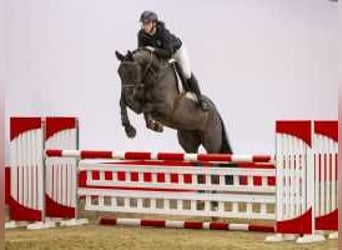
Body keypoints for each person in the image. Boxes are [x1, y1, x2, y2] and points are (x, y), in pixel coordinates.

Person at [137, 10, 210, 111]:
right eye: (143, 24)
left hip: (177, 52)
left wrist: (153, 49)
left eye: (147, 23)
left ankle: (200, 99)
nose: (145, 26)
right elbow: (142, 51)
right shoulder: (141, 35)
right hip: (161, 55)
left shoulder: (163, 33)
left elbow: (169, 53)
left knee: (186, 73)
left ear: (154, 23)